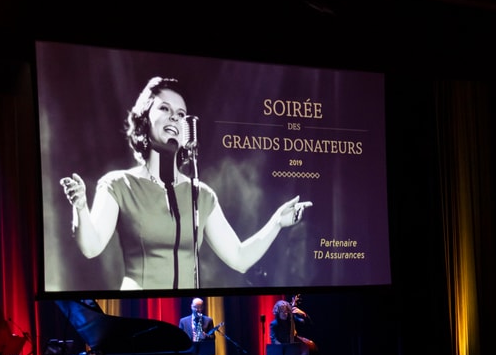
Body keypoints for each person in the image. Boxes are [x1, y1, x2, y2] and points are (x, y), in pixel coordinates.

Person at [60, 76, 312, 290]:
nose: (173, 118)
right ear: (144, 118)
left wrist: (277, 222)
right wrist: (80, 206)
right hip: (136, 312)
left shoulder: (200, 194)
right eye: (164, 109)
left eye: (180, 114)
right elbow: (91, 247)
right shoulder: (119, 185)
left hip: (185, 312)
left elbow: (239, 257)